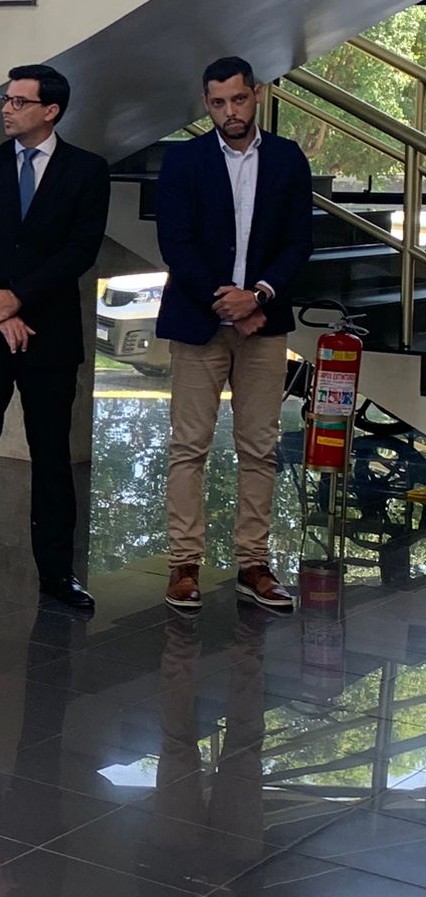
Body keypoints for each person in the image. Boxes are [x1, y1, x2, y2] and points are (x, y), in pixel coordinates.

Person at [0, 64, 110, 610]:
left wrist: (19, 298)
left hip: (49, 334)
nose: (7, 109)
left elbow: (80, 250)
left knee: (52, 457)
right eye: (5, 101)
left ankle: (58, 574)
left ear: (50, 110)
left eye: (18, 101)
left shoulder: (87, 170)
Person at [156, 56, 312, 612]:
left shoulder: (288, 158)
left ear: (257, 94)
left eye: (239, 100)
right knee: (188, 447)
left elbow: (299, 242)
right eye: (218, 103)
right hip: (199, 323)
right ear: (207, 103)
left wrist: (259, 296)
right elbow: (175, 242)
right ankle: (183, 566)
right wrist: (228, 299)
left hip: (263, 326)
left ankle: (254, 565)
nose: (230, 112)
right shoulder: (184, 160)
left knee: (260, 448)